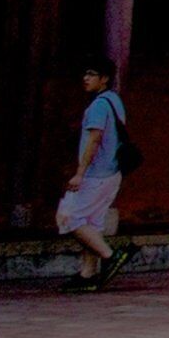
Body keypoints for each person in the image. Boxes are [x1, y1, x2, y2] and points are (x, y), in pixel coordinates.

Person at [55, 60, 136, 292]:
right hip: (111, 173)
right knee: (91, 222)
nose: (86, 78)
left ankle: (110, 256)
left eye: (92, 74)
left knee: (68, 218)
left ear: (104, 79)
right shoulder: (114, 101)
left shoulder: (98, 106)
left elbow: (94, 139)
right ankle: (87, 274)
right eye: (85, 74)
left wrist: (80, 173)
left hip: (95, 174)